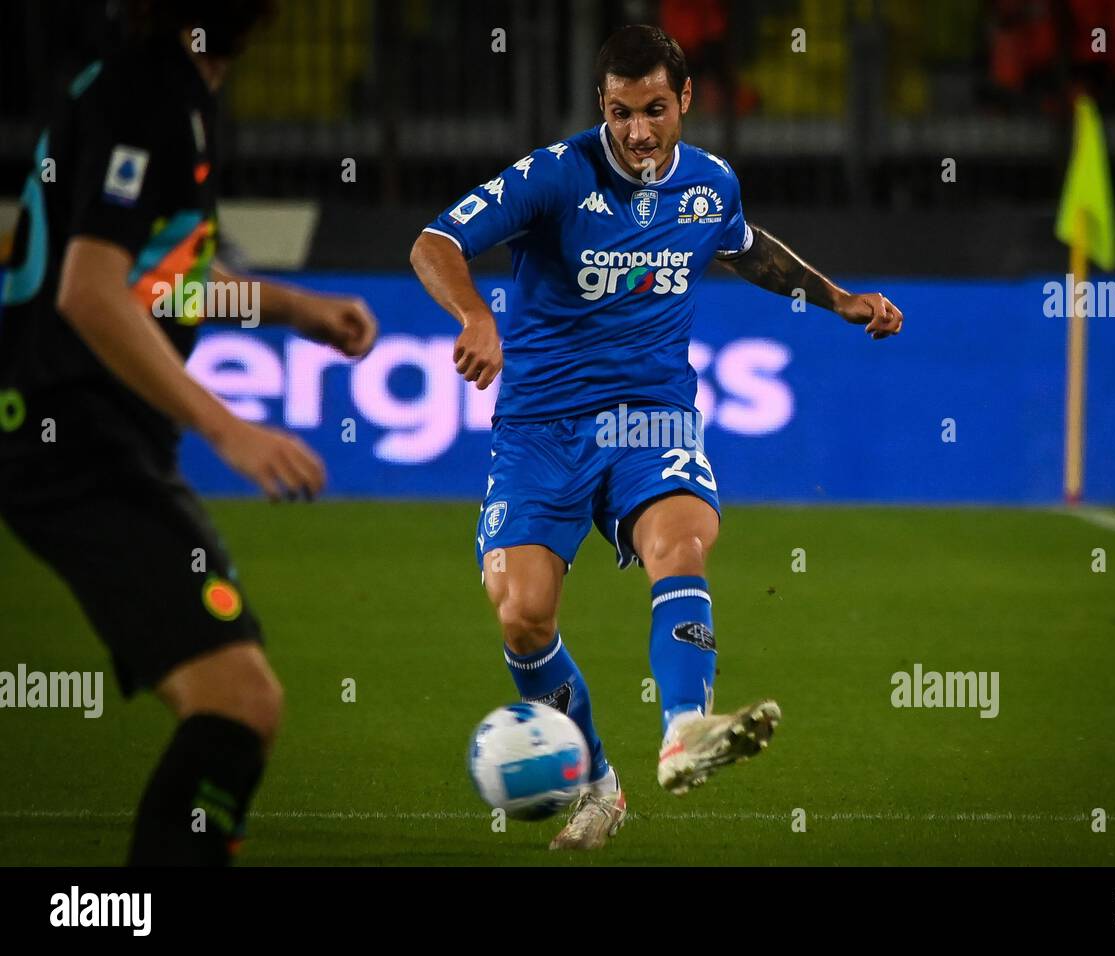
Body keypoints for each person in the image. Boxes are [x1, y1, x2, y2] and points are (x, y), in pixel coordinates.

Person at [409, 24, 902, 851]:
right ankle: (598, 785)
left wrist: (837, 296)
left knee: (683, 541)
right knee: (523, 616)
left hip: (652, 416)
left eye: (653, 110)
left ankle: (685, 732)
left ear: (684, 102)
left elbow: (749, 252)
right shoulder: (555, 176)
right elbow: (436, 243)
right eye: (619, 111)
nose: (637, 130)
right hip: (541, 425)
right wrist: (474, 313)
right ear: (600, 106)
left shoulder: (710, 186)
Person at [0, 0, 378, 865]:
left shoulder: (161, 87)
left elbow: (162, 287)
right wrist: (228, 427)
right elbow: (88, 294)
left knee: (236, 698)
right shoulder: (151, 97)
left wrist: (294, 308)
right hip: (73, 440)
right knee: (239, 701)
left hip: (91, 437)